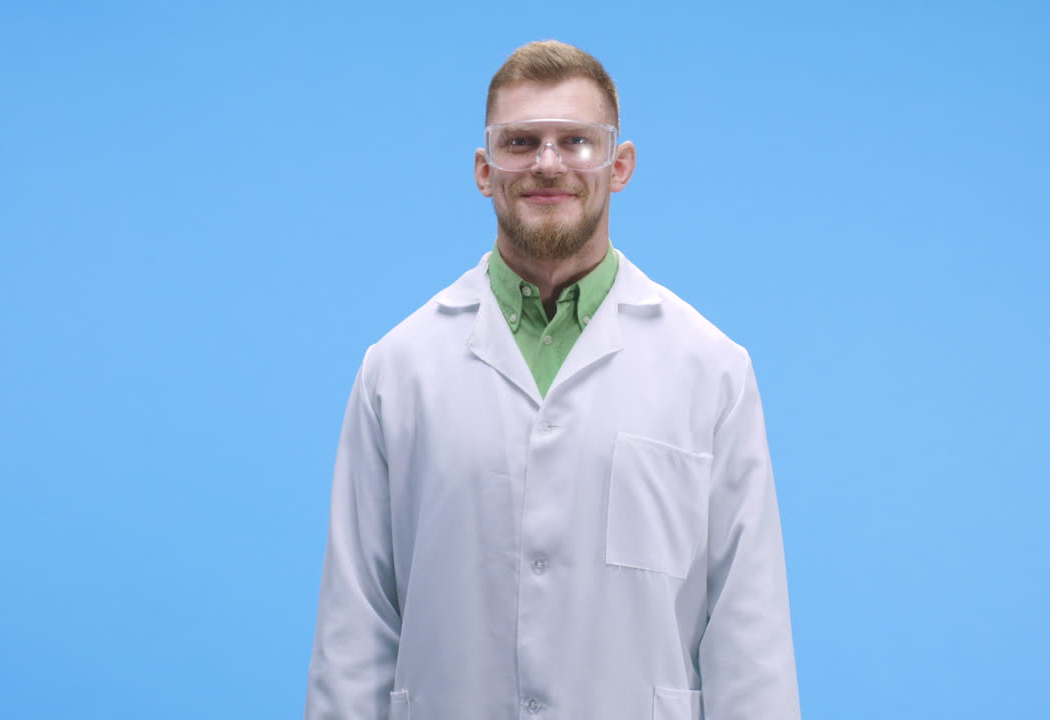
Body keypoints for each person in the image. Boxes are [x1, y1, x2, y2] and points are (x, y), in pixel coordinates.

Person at [305, 40, 800, 720]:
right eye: (520, 142)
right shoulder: (398, 369)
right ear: (484, 170)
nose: (547, 163)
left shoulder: (710, 370)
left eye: (576, 140)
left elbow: (750, 632)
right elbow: (353, 627)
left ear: (619, 166)